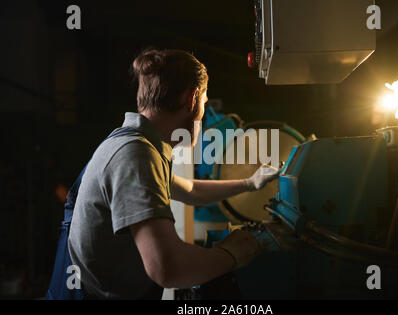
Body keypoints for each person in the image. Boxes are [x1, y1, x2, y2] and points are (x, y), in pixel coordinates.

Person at [68, 48, 279, 299]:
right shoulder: (135, 155)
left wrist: (249, 183)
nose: (202, 112)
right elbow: (167, 268)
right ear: (192, 99)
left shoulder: (138, 144)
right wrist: (235, 252)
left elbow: (190, 190)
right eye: (204, 103)